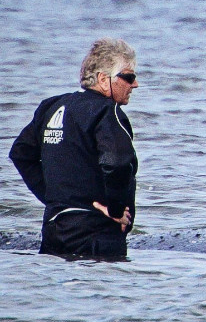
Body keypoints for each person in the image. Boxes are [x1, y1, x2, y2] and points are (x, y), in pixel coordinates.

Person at [9, 38, 140, 258]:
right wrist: (116, 210)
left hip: (54, 229)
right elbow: (117, 163)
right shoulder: (107, 112)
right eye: (128, 77)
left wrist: (55, 200)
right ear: (103, 79)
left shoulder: (51, 106)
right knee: (107, 292)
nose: (135, 84)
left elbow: (21, 154)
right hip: (96, 234)